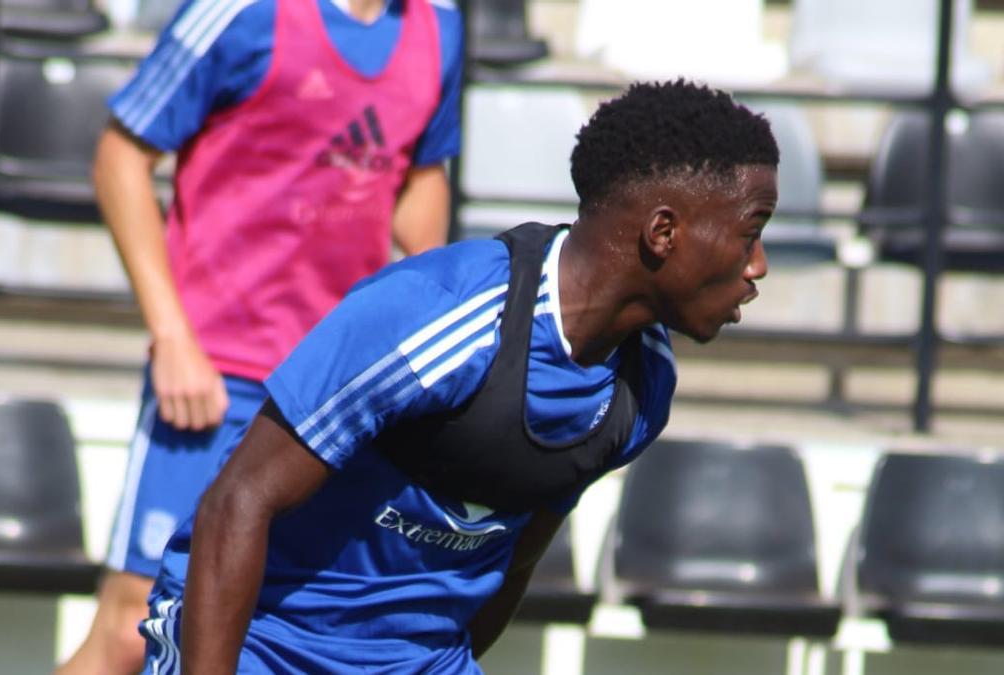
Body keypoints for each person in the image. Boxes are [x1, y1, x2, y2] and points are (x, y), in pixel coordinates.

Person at [136, 79, 780, 674]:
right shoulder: (434, 315)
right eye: (750, 233)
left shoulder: (642, 387)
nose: (759, 266)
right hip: (262, 646)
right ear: (663, 231)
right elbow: (238, 501)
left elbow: (518, 557)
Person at [57, 1, 464, 673]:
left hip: (341, 391)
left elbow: (421, 181)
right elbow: (120, 156)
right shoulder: (242, 12)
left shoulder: (438, 27)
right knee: (136, 626)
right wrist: (171, 336)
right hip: (217, 376)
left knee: (297, 622)